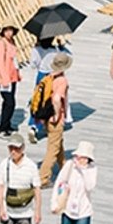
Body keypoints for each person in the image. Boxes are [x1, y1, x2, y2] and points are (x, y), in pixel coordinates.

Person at [38, 54, 72, 187]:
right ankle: (43, 178)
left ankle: (64, 167)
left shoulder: (49, 77)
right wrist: (57, 115)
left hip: (46, 117)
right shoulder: (61, 80)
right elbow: (57, 98)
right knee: (53, 149)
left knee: (58, 142)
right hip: (54, 119)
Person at [0, 26, 22, 135]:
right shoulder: (0, 44)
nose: (9, 33)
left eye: (11, 30)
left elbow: (14, 60)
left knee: (8, 102)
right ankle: (2, 127)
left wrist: (17, 74)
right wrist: (5, 79)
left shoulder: (12, 42)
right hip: (4, 78)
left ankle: (7, 124)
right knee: (10, 103)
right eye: (7, 30)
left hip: (12, 77)